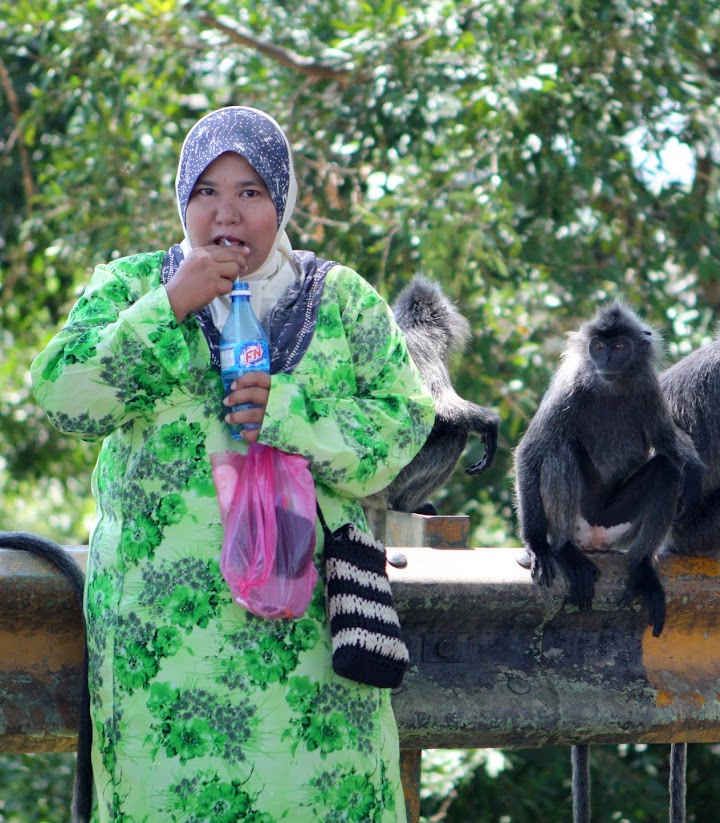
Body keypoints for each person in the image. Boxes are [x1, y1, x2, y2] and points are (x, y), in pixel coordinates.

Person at [30, 106, 434, 822]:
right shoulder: (132, 287)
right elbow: (64, 395)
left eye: (251, 191)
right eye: (206, 191)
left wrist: (289, 411)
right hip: (163, 654)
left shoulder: (339, 301)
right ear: (182, 201)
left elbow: (401, 425)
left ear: (281, 201)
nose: (227, 212)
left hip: (312, 656)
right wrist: (170, 304)